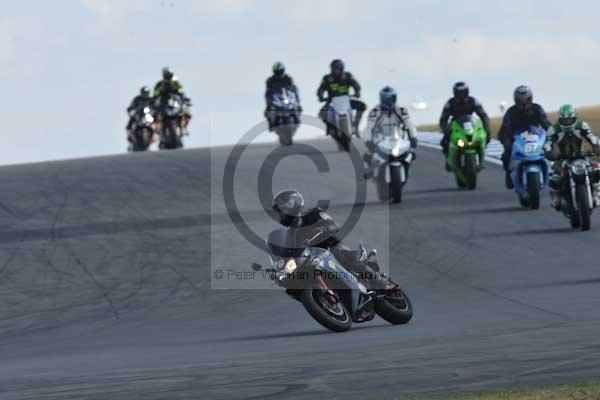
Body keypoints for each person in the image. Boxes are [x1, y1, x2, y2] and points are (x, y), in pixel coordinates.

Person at [271, 190, 395, 291]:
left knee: (344, 256)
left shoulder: (313, 213)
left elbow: (331, 224)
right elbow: (290, 251)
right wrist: (279, 266)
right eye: (280, 211)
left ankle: (380, 282)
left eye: (284, 208)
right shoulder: (291, 232)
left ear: (295, 202)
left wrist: (321, 229)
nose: (282, 213)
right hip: (313, 256)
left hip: (330, 245)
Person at [544, 104, 600, 209]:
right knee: (554, 176)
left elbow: (591, 137)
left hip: (581, 157)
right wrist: (549, 152)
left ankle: (596, 193)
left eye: (569, 120)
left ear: (574, 118)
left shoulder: (582, 125)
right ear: (560, 120)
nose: (567, 122)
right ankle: (556, 197)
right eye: (564, 120)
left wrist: (596, 146)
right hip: (562, 159)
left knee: (597, 168)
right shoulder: (553, 129)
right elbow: (548, 143)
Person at [498, 85, 551, 189]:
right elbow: (504, 129)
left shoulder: (537, 108)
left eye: (526, 99)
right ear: (516, 100)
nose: (523, 103)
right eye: (520, 100)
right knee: (506, 154)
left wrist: (552, 135)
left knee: (550, 150)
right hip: (517, 138)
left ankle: (551, 172)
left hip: (535, 137)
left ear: (530, 98)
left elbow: (546, 123)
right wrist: (506, 142)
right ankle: (509, 174)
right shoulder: (511, 111)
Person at [363, 86, 418, 178]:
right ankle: (369, 170)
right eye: (386, 99)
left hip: (397, 138)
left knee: (411, 154)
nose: (389, 102)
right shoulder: (375, 111)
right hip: (379, 138)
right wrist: (368, 141)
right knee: (367, 154)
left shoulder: (401, 110)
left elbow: (409, 124)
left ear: (395, 98)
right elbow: (368, 128)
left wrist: (413, 137)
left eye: (391, 99)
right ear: (381, 99)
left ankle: (406, 168)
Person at [439, 82, 491, 165]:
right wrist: (446, 130)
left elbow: (483, 115)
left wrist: (487, 129)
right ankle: (448, 158)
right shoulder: (450, 103)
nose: (461, 95)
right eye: (459, 93)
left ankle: (482, 157)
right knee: (444, 141)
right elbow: (443, 119)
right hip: (456, 125)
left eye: (463, 93)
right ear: (455, 93)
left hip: (471, 124)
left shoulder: (473, 101)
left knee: (484, 138)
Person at [317, 59, 366, 136]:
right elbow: (321, 89)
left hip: (346, 100)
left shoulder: (347, 76)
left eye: (338, 68)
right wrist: (320, 96)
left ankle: (356, 126)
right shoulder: (327, 78)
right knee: (321, 114)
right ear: (331, 69)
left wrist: (357, 92)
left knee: (362, 106)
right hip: (331, 101)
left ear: (342, 68)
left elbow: (356, 85)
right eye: (335, 68)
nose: (336, 71)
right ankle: (330, 128)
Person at [153, 67, 192, 135]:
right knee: (154, 113)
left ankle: (183, 127)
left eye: (169, 75)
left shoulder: (176, 83)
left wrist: (185, 99)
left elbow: (181, 91)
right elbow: (155, 93)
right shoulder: (160, 84)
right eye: (166, 75)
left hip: (175, 102)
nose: (168, 77)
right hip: (164, 103)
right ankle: (158, 128)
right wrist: (154, 99)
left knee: (186, 112)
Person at [264, 62, 301, 130]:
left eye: (280, 71)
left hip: (285, 97)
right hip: (276, 98)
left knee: (297, 107)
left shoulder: (288, 78)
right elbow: (268, 92)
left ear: (283, 71)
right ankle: (271, 124)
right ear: (274, 72)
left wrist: (296, 99)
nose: (279, 73)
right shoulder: (270, 80)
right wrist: (269, 100)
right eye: (277, 72)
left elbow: (293, 88)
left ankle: (297, 119)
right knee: (268, 110)